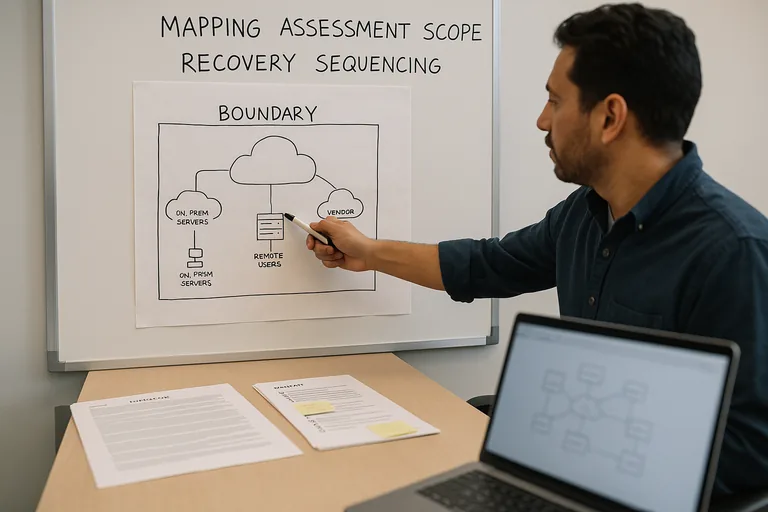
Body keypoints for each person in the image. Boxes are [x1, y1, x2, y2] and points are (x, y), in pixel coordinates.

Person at [306, 2, 768, 498]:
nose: (541, 120)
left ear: (610, 116)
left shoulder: (735, 251)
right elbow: (486, 266)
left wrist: (589, 470)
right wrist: (369, 252)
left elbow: (753, 453)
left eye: (555, 100)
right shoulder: (583, 214)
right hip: (561, 478)